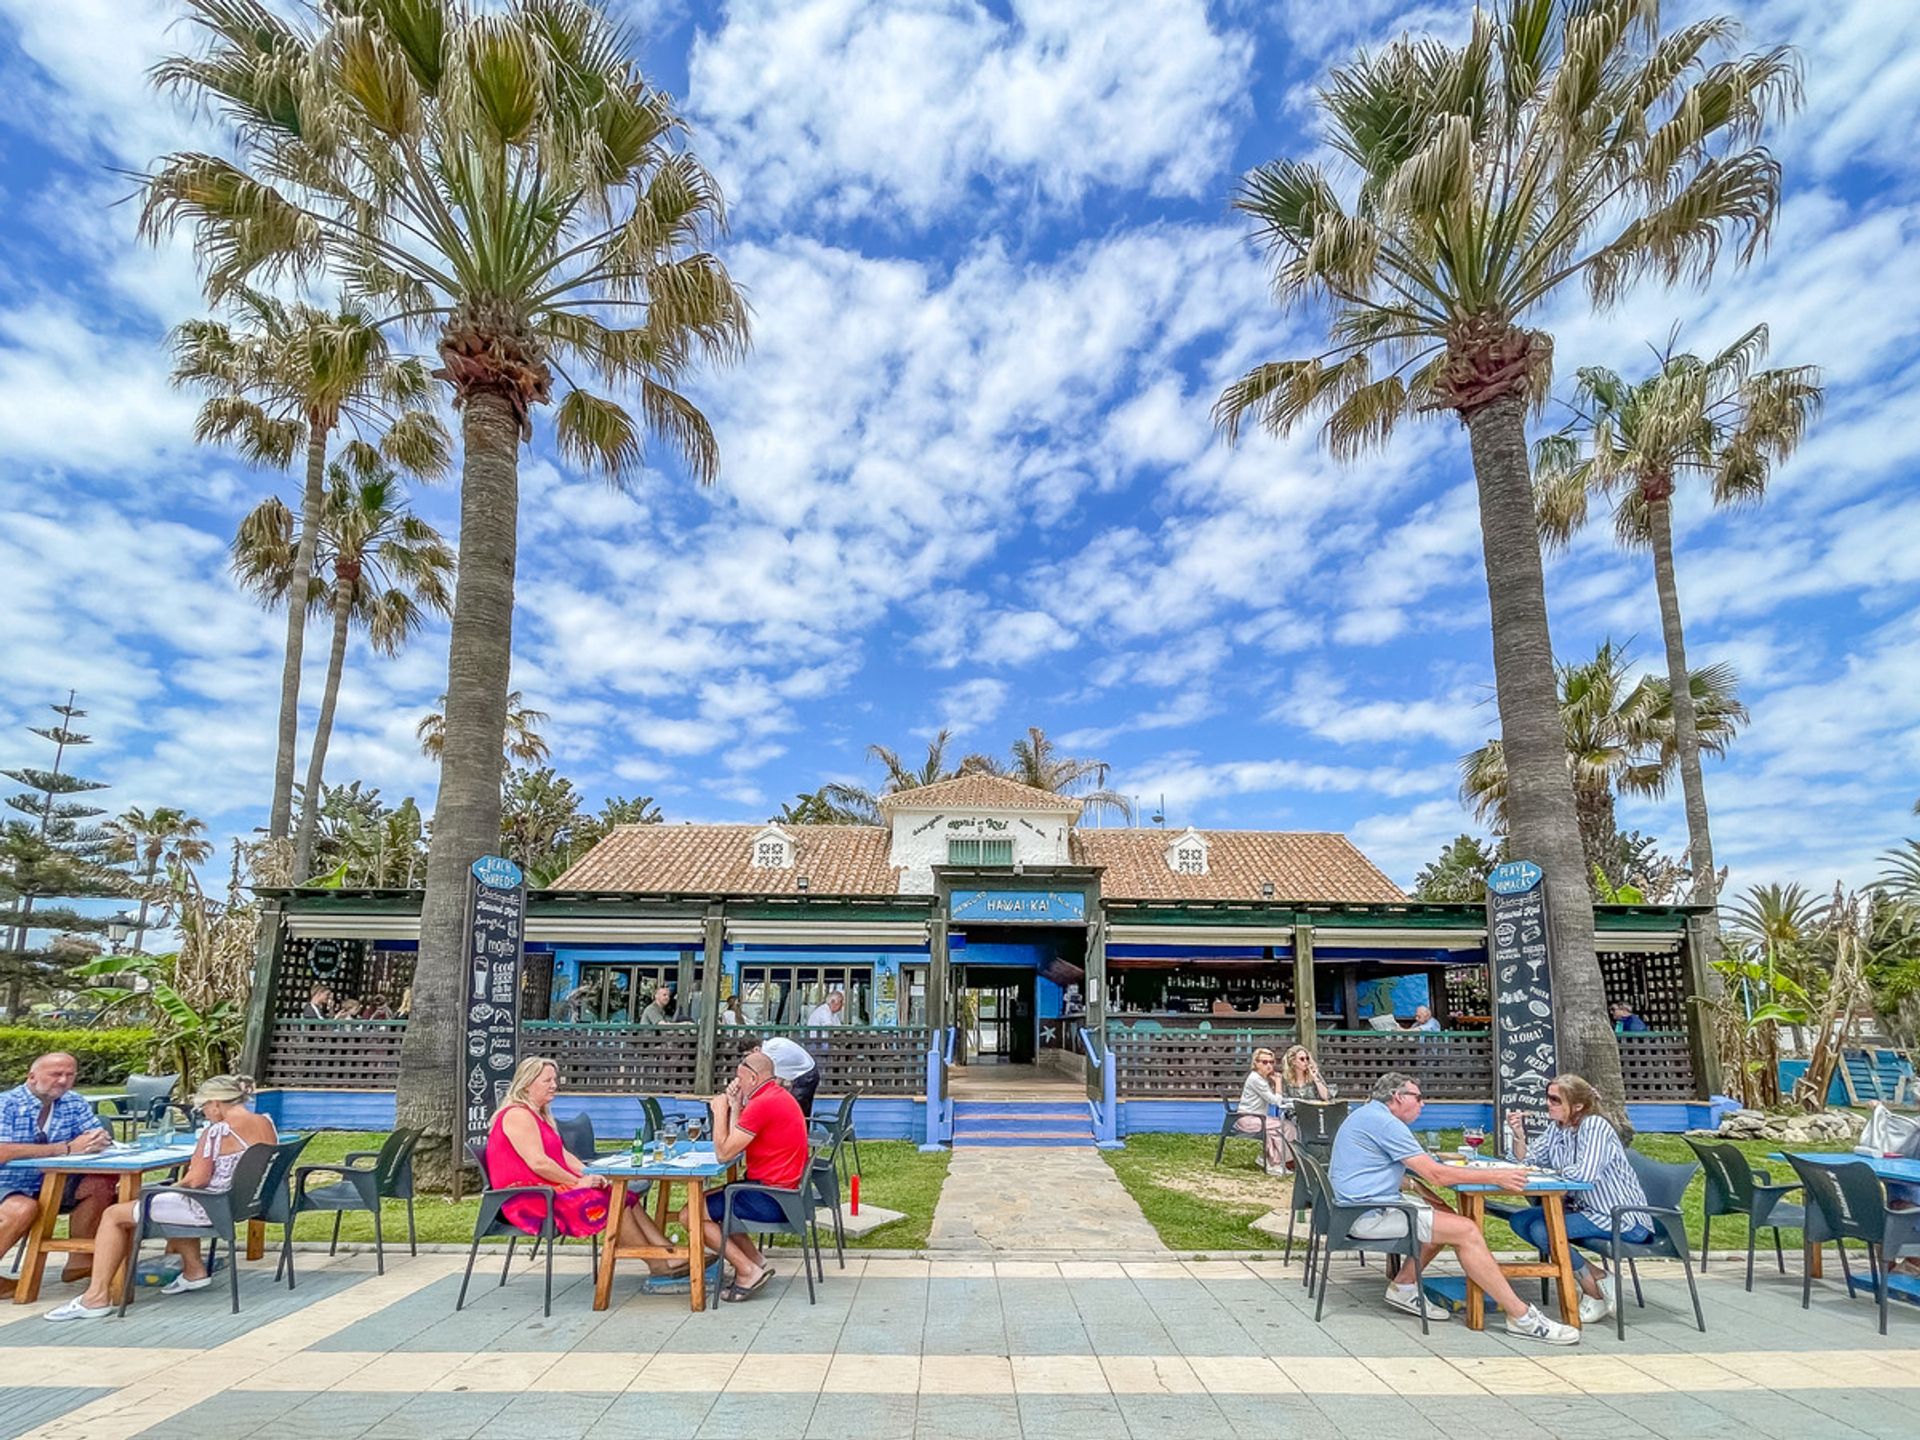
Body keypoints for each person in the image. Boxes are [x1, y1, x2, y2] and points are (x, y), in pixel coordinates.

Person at [1328, 1071, 1579, 1344]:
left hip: (1356, 1209)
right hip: (1366, 1215)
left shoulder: (1368, 1115)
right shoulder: (1387, 1124)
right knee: (1467, 1230)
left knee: (1446, 1217)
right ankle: (1521, 1317)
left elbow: (1395, 1175)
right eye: (1419, 1098)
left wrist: (1425, 1194)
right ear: (1398, 1097)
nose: (1423, 1105)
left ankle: (1404, 1285)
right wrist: (1495, 1176)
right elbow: (1438, 1175)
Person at [45, 1075, 277, 1320]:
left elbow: (196, 1181)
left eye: (204, 1107)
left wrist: (177, 1183)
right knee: (160, 1199)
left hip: (208, 1206)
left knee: (114, 1214)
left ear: (216, 1104)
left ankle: (96, 1296)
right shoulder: (265, 1122)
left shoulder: (218, 1132)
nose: (205, 1113)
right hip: (240, 1203)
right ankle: (193, 1269)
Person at [483, 1057, 687, 1283]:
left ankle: (668, 1252)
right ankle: (657, 1264)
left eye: (555, 1079)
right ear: (527, 1084)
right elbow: (539, 1163)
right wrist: (577, 1182)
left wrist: (587, 1173)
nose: (554, 1085)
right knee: (611, 1202)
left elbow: (562, 1155)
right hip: (525, 1199)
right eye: (547, 1080)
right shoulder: (517, 1115)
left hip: (545, 1190)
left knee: (623, 1195)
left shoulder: (539, 1115)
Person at [1505, 1074, 1651, 1323]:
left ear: (1578, 1105)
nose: (1548, 1104)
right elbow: (1525, 1161)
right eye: (1547, 1098)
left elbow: (1585, 1174)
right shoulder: (1558, 1128)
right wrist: (1519, 1134)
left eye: (1555, 1099)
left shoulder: (1594, 1126)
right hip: (1585, 1211)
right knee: (1520, 1221)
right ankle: (1598, 1276)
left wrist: (1550, 1172)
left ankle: (1591, 1291)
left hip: (1618, 1216)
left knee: (1543, 1230)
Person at [682, 1050, 809, 1302]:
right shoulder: (774, 1096)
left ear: (753, 1077)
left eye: (739, 1080)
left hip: (772, 1197)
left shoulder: (763, 1104)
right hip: (782, 1192)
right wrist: (736, 1105)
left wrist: (719, 1112)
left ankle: (746, 1270)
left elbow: (723, 1152)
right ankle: (755, 1260)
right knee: (709, 1204)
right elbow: (736, 1141)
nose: (736, 1084)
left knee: (690, 1214)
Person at [0, 1053, 115, 1297]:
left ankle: (80, 1262)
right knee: (22, 1209)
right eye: (56, 1074)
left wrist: (98, 1141)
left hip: (53, 1183)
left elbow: (95, 1134)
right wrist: (65, 1149)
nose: (63, 1081)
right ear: (32, 1077)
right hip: (7, 1183)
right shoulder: (6, 1104)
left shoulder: (73, 1102)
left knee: (101, 1183)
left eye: (69, 1075)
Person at [1232, 1047, 1293, 1174]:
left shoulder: (1262, 1078)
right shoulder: (1256, 1079)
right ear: (1256, 1063)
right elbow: (1275, 1101)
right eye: (1264, 1062)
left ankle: (1269, 1159)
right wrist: (1278, 1083)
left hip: (1256, 1117)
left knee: (1279, 1127)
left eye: (1271, 1062)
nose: (1269, 1065)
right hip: (1248, 1119)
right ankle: (1275, 1163)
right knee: (1286, 1126)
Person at [758, 1035, 821, 1117]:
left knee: (796, 1111)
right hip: (807, 1071)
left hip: (806, 1075)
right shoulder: (771, 1044)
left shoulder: (769, 1053)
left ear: (756, 1049)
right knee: (798, 1109)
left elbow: (777, 1081)